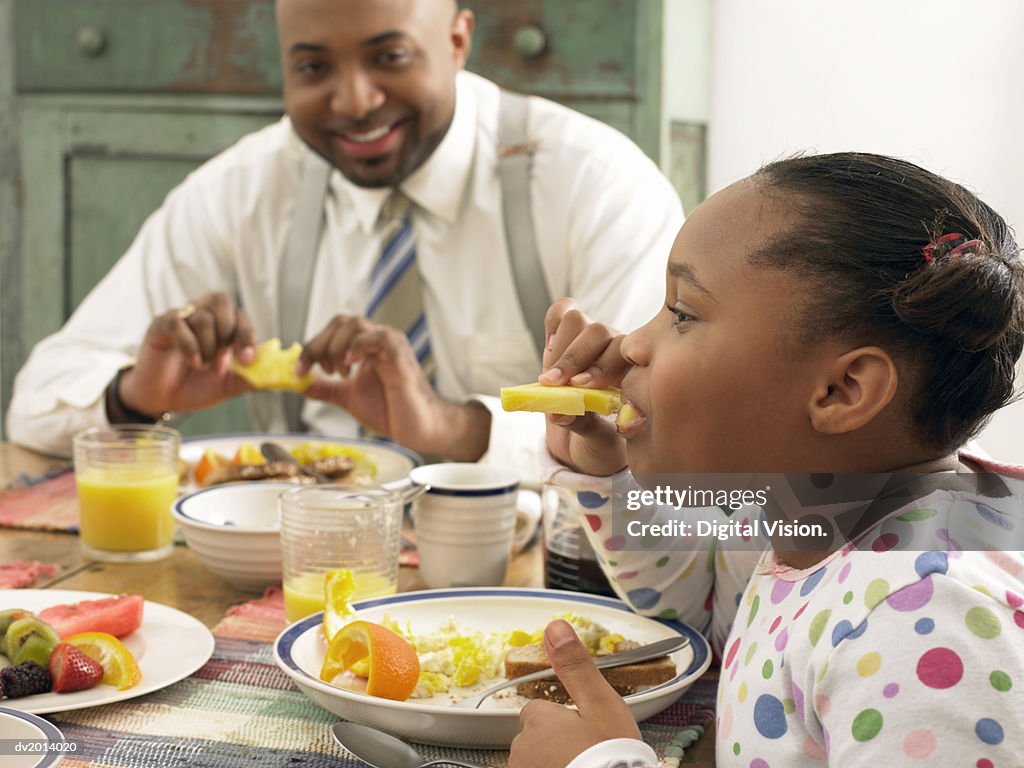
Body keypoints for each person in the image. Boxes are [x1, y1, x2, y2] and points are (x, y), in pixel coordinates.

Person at [5, 0, 680, 475]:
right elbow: (36, 406)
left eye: (389, 56)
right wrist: (138, 395)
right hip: (300, 570)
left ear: (456, 40)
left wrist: (455, 428)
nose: (354, 101)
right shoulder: (242, 188)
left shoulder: (597, 183)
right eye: (313, 68)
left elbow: (654, 443)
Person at [509, 152, 1024, 767]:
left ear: (842, 392)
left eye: (682, 313)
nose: (630, 344)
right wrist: (610, 474)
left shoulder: (924, 622)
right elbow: (702, 619)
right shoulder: (821, 503)